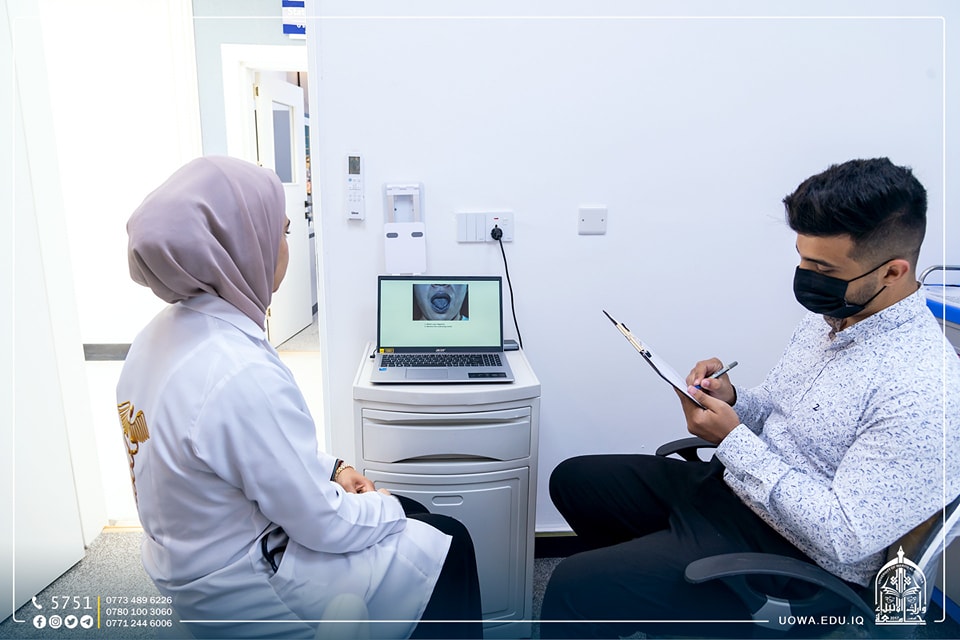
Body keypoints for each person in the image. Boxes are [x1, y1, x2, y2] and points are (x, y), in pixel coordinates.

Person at [541, 158, 960, 638]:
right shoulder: (835, 316)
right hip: (736, 492)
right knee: (575, 482)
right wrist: (733, 399)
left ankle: (651, 597)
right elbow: (778, 411)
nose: (805, 275)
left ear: (892, 272)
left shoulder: (923, 389)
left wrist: (734, 440)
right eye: (802, 258)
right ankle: (650, 600)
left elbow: (844, 537)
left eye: (822, 268)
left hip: (795, 559)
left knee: (575, 586)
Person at [117, 156, 481, 639]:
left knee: (413, 515)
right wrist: (385, 504)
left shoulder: (156, 339)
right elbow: (323, 524)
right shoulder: (238, 371)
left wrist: (335, 469)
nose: (286, 246)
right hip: (254, 583)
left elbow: (248, 453)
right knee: (450, 540)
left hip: (195, 564)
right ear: (242, 243)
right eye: (282, 231)